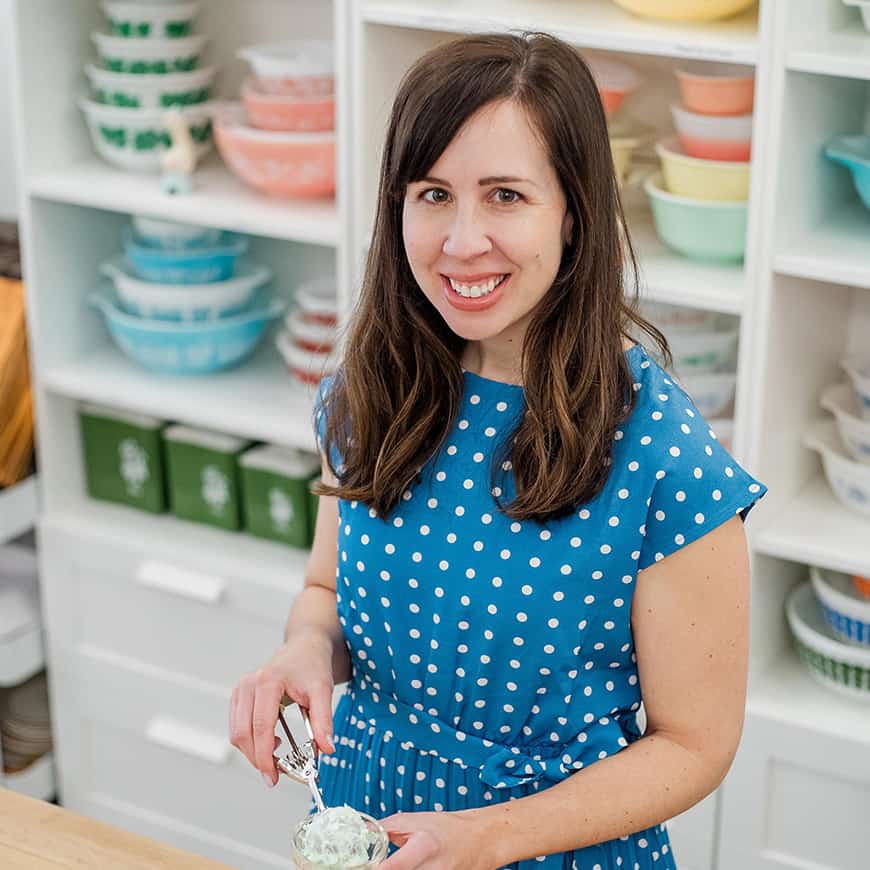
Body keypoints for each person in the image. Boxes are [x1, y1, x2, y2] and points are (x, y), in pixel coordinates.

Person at [229, 31, 767, 870]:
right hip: (370, 829)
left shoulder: (665, 460)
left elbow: (696, 744)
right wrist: (303, 649)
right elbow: (326, 587)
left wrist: (491, 837)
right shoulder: (371, 393)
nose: (462, 239)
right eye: (434, 193)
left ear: (574, 212)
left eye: (507, 195)